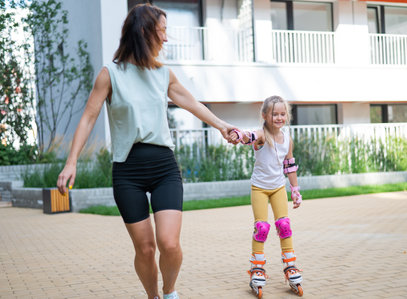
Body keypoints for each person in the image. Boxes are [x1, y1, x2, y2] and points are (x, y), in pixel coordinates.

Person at [56, 4, 236, 299]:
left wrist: (221, 125)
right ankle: (153, 296)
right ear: (144, 32)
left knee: (169, 244)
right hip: (128, 170)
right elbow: (89, 117)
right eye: (162, 31)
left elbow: (192, 103)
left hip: (164, 167)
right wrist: (71, 162)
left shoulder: (163, 74)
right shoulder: (110, 74)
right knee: (145, 248)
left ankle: (170, 292)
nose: (166, 39)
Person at [230, 95, 303, 298]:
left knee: (284, 225)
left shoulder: (288, 139)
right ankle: (257, 268)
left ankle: (290, 265)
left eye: (282, 114)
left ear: (286, 115)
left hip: (278, 187)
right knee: (261, 227)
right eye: (274, 114)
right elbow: (249, 136)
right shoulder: (261, 134)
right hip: (260, 188)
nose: (279, 117)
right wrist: (239, 135)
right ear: (265, 115)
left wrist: (295, 190)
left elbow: (290, 165)